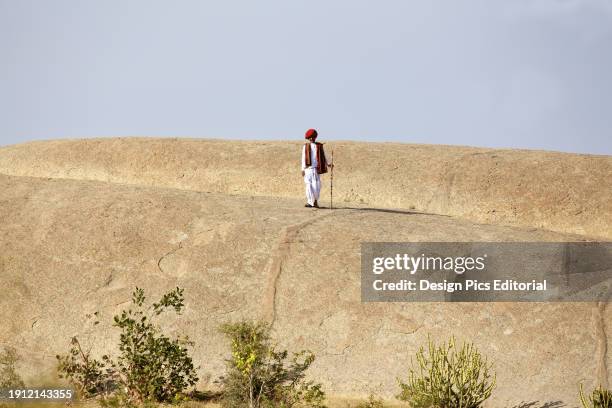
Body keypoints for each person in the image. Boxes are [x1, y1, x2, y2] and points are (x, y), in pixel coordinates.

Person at [301, 128, 333, 208]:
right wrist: (302, 169)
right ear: (308, 138)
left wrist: (328, 164)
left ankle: (315, 201)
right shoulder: (305, 146)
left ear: (315, 137)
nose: (311, 138)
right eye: (310, 137)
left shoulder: (319, 146)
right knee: (308, 185)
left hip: (315, 169)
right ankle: (309, 202)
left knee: (316, 186)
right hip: (308, 169)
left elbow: (324, 156)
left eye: (313, 137)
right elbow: (303, 158)